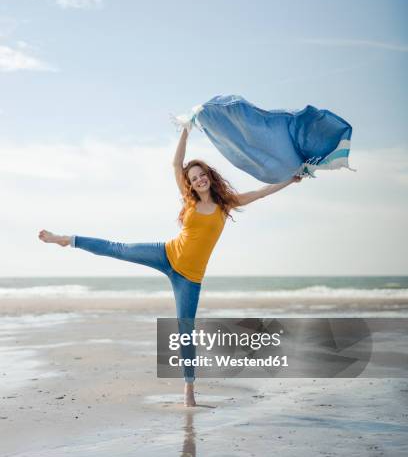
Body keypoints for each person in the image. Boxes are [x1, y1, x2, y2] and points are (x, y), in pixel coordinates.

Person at [38, 128, 302, 406]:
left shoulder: (226, 204)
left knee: (185, 330)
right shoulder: (189, 200)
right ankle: (67, 240)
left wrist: (289, 180)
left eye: (202, 175)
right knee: (118, 249)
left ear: (210, 177)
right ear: (190, 183)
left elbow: (261, 193)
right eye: (194, 178)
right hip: (166, 254)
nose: (199, 180)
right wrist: (185, 133)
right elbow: (176, 164)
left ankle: (188, 390)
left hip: (189, 278)